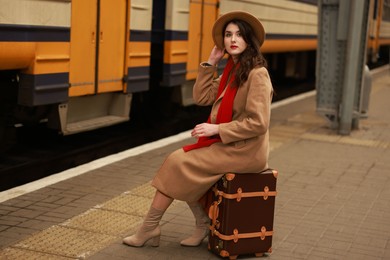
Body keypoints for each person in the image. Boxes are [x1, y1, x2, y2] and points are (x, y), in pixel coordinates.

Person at [123, 10, 273, 248]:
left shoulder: (257, 74)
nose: (233, 40)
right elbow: (202, 97)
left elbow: (258, 123)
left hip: (246, 151)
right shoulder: (232, 71)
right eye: (228, 35)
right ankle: (200, 223)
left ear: (249, 41)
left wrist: (216, 130)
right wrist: (210, 64)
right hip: (231, 145)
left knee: (178, 162)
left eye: (239, 35)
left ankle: (150, 228)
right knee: (181, 163)